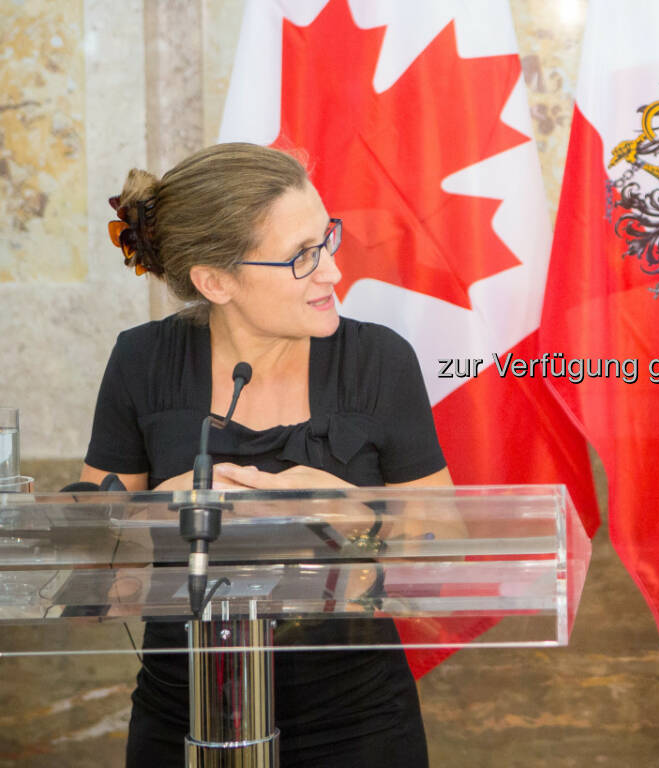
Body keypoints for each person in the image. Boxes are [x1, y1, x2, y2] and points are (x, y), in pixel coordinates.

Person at [79, 143, 453, 767]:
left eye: (326, 240)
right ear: (215, 281)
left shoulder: (380, 362)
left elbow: (447, 548)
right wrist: (163, 511)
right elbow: (92, 568)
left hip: (359, 725)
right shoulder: (141, 362)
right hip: (182, 721)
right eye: (301, 257)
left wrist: (353, 513)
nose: (332, 272)